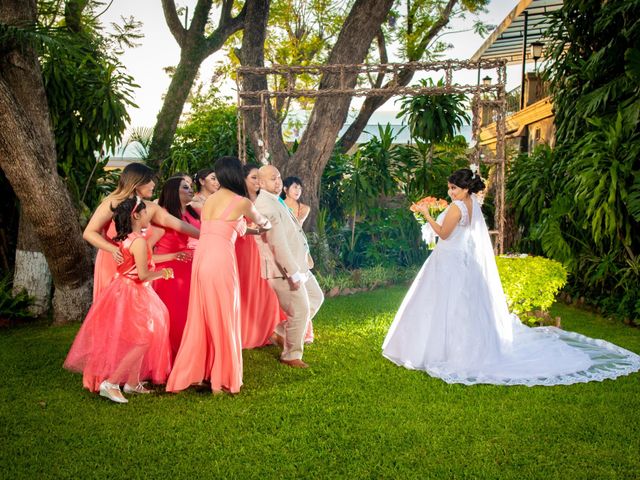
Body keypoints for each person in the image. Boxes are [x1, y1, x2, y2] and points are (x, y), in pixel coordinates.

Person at [382, 168, 640, 386]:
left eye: (454, 188)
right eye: (449, 188)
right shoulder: (473, 205)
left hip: (448, 260)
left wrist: (427, 216)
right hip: (462, 261)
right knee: (462, 306)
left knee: (441, 304)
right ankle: (463, 346)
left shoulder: (456, 208)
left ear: (465, 189)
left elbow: (444, 234)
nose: (450, 192)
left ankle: (438, 350)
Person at [167, 156, 271, 394]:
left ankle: (202, 373)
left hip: (203, 258)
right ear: (236, 175)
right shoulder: (241, 202)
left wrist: (248, 229)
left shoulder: (209, 200)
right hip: (221, 260)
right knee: (224, 315)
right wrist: (264, 226)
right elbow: (264, 223)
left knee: (202, 315)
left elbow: (225, 227)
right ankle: (221, 380)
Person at [64, 197, 173, 403]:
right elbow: (143, 274)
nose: (148, 215)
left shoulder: (124, 238)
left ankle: (132, 382)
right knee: (143, 340)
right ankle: (112, 382)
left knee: (140, 337)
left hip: (123, 289)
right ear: (136, 215)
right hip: (134, 292)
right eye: (145, 212)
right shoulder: (139, 242)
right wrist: (164, 273)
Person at [83, 163, 199, 300]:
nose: (153, 185)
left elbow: (180, 225)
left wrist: (208, 235)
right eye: (150, 181)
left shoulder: (152, 208)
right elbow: (89, 232)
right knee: (112, 308)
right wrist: (113, 249)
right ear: (137, 183)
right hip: (113, 260)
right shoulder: (113, 202)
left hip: (138, 262)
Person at [254, 165, 324, 368]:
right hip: (283, 269)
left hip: (300, 264)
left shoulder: (277, 201)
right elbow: (277, 243)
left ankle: (281, 332)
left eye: (278, 178)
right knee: (300, 310)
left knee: (316, 298)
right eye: (272, 179)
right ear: (260, 183)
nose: (277, 182)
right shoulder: (265, 205)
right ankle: (291, 355)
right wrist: (292, 273)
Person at [235, 163, 285, 349]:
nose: (257, 181)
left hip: (265, 247)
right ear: (244, 180)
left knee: (268, 290)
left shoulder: (269, 200)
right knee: (248, 288)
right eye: (253, 178)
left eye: (259, 178)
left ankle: (271, 330)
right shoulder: (240, 201)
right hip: (245, 248)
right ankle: (249, 331)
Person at [153, 176, 201, 359]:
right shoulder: (162, 215)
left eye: (190, 187)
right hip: (170, 273)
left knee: (191, 315)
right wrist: (172, 256)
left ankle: (190, 356)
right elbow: (147, 252)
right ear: (173, 191)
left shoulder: (194, 212)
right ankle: (171, 357)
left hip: (192, 268)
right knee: (175, 316)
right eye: (185, 187)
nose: (190, 190)